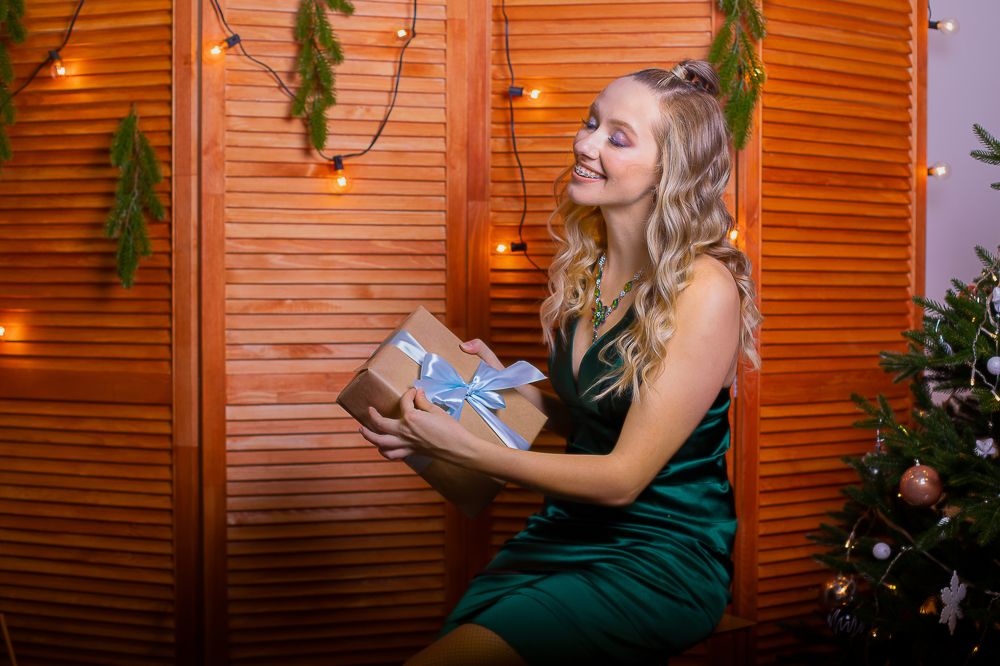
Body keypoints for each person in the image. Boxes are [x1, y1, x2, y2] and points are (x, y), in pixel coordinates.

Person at [359, 59, 762, 665]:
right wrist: (500, 390)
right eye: (591, 122)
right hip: (564, 532)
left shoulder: (704, 288)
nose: (585, 143)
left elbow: (623, 478)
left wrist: (462, 449)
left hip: (661, 556)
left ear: (670, 171)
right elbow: (598, 420)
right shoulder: (587, 267)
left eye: (617, 138)